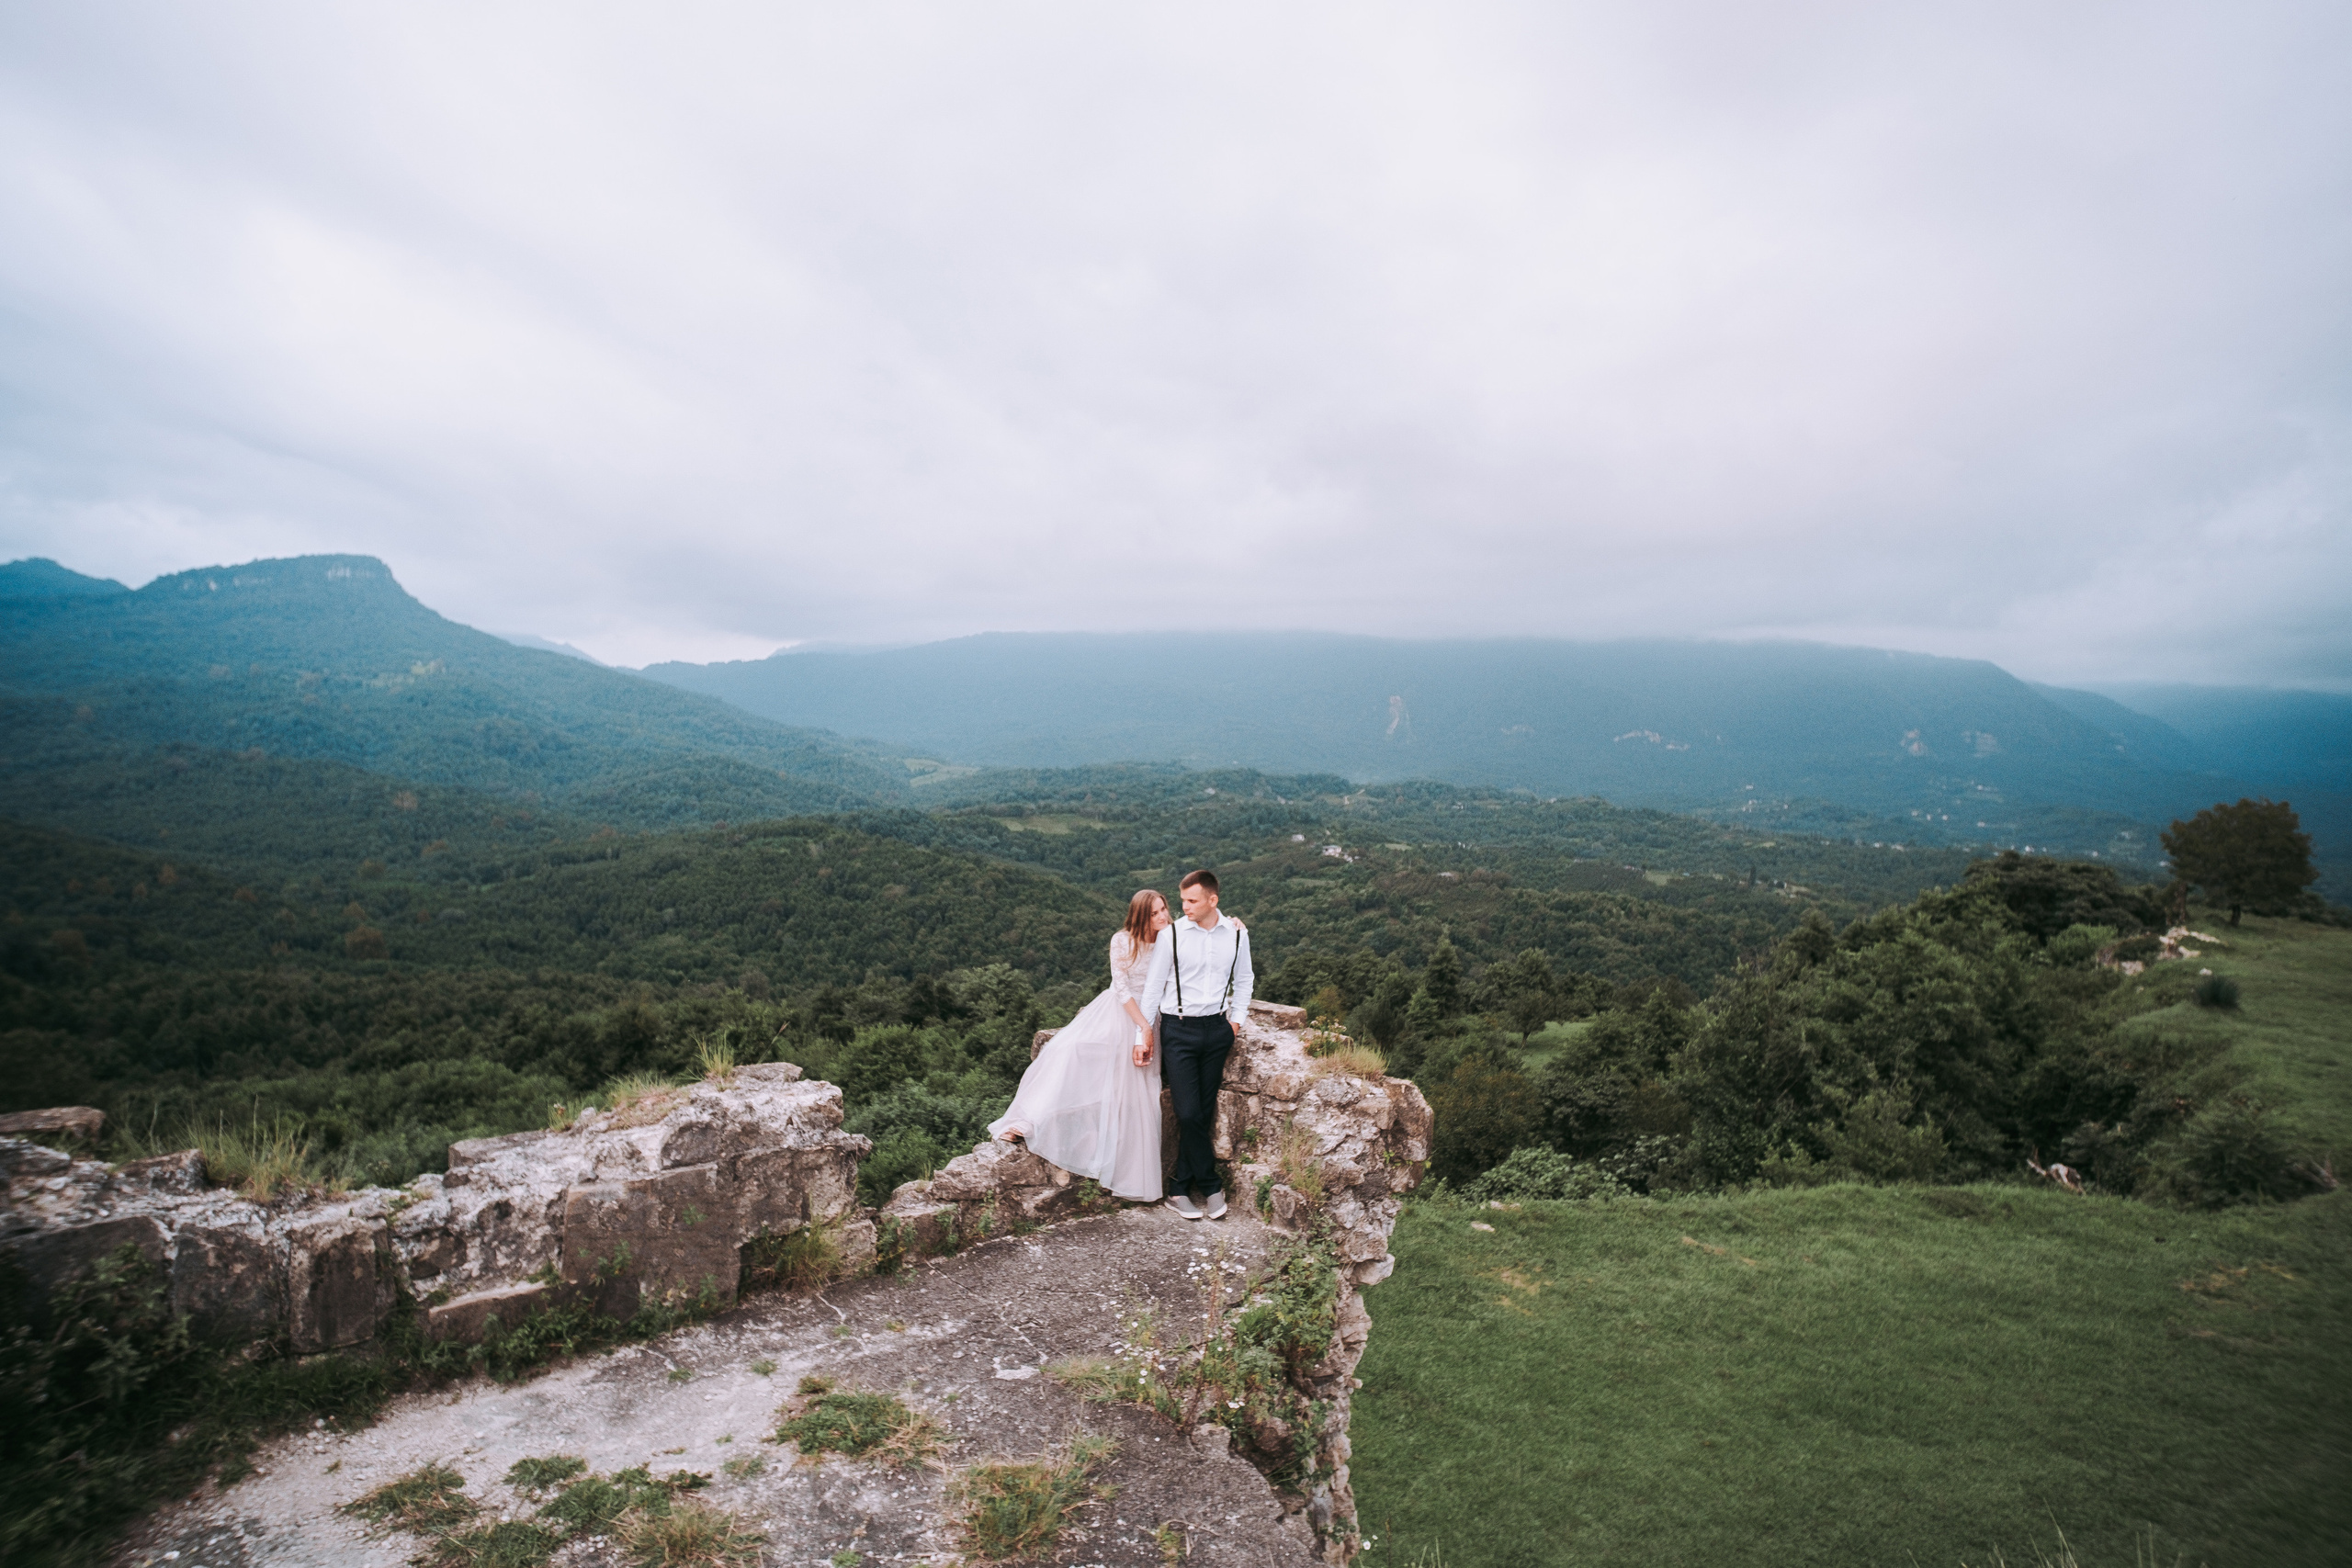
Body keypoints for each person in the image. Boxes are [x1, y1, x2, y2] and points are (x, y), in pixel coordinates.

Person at [986, 889, 1173, 1201]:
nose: (1163, 917)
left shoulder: (1171, 940)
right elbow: (1122, 988)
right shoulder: (1121, 941)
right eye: (1155, 913)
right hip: (1119, 1011)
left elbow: (1204, 937)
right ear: (1141, 917)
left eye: (1164, 909)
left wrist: (1233, 925)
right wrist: (1141, 1026)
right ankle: (1025, 1122)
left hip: (1151, 1015)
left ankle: (1121, 1173)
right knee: (1063, 1050)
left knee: (1136, 1091)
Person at [1135, 868, 1253, 1221]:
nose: (1182, 907)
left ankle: (1178, 1189)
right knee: (1187, 1112)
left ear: (1212, 900)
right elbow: (1153, 988)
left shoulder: (1236, 934)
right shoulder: (1171, 936)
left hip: (1217, 1031)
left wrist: (1235, 1022)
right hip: (1179, 1029)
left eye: (1191, 900)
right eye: (1182, 899)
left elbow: (1244, 979)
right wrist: (1140, 1036)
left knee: (1201, 1112)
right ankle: (1211, 1184)